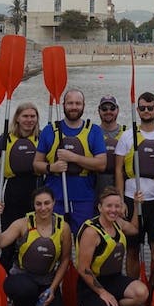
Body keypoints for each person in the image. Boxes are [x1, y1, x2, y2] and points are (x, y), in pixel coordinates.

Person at [0, 186, 72, 306]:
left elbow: (65, 260)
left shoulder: (63, 228)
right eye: (38, 204)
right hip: (22, 279)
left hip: (47, 282)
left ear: (54, 203)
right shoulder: (23, 224)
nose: (43, 208)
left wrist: (53, 289)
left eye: (47, 203)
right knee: (26, 289)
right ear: (33, 205)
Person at [115, 91, 154, 279]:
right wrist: (120, 200)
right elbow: (118, 170)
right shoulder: (127, 136)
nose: (146, 111)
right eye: (142, 108)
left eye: (150, 108)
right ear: (138, 110)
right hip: (131, 198)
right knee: (133, 248)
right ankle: (133, 286)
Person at [74, 186, 149, 306]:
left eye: (117, 206)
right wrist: (102, 292)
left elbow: (134, 229)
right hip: (91, 286)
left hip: (113, 279)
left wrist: (135, 205)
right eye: (109, 206)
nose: (113, 210)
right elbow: (83, 269)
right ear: (100, 207)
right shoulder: (91, 232)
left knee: (142, 293)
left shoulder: (118, 223)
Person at [33, 89, 107, 233]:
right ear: (63, 105)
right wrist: (51, 168)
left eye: (78, 103)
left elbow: (101, 164)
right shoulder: (49, 130)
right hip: (55, 197)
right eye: (70, 103)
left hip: (84, 197)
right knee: (54, 242)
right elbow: (36, 164)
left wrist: (74, 158)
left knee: (84, 240)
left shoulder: (94, 131)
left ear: (84, 105)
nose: (74, 107)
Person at [0, 102, 41, 273]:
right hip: (12, 195)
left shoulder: (42, 138)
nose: (29, 120)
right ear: (17, 118)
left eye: (33, 116)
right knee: (9, 245)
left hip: (36, 194)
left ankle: (30, 276)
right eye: (25, 116)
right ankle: (3, 282)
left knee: (33, 240)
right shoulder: (5, 139)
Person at [95, 95, 126, 197]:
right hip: (97, 182)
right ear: (99, 111)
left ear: (117, 110)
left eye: (112, 108)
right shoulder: (92, 133)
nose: (108, 111)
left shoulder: (126, 134)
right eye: (104, 109)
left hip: (119, 180)